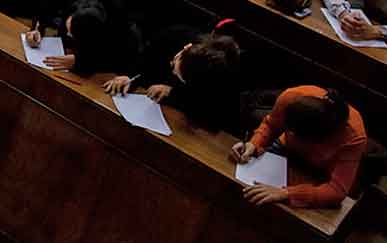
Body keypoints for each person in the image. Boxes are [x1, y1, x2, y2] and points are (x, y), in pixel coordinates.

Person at [230, 86, 366, 208]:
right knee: (243, 190)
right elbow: (271, 125)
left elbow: (336, 191)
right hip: (285, 149)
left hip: (322, 171)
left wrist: (287, 193)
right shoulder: (291, 97)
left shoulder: (354, 136)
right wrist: (254, 144)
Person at [105, 25, 242, 132]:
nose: (171, 65)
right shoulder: (176, 34)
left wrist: (174, 93)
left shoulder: (222, 80)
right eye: (175, 61)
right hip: (140, 97)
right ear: (187, 47)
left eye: (179, 76)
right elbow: (144, 57)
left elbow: (210, 115)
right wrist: (128, 75)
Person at [22, 0, 141, 74]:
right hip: (59, 48)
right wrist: (37, 29)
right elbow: (44, 9)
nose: (69, 35)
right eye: (69, 29)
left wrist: (80, 62)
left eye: (72, 34)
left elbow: (119, 57)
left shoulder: (117, 19)